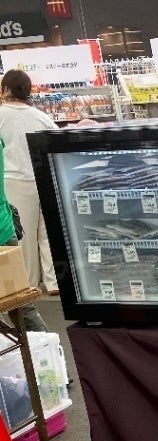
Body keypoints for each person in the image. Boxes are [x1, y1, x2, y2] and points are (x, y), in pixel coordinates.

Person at [0, 69, 60, 295]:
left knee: (23, 236)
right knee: (48, 234)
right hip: (45, 178)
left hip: (14, 180)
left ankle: (28, 284)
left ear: (5, 89)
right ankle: (55, 282)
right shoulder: (41, 117)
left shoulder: (1, 115)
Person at [0, 134, 48, 332]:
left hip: (2, 237)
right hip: (4, 231)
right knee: (19, 303)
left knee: (19, 302)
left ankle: (47, 348)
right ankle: (48, 348)